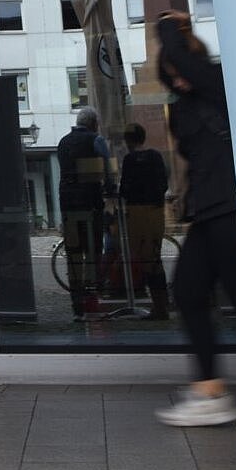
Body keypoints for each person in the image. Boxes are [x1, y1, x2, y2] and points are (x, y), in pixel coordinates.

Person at [153, 11, 236, 427]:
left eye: (179, 70)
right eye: (170, 76)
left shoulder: (219, 83)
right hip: (209, 211)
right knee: (188, 290)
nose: (178, 79)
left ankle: (211, 392)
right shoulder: (185, 106)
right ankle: (210, 391)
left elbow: (182, 60)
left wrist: (167, 24)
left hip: (232, 207)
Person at [57, 106, 112, 320]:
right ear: (93, 123)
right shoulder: (96, 140)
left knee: (73, 255)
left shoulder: (63, 142)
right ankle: (91, 301)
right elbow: (107, 170)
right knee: (92, 251)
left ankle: (77, 305)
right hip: (90, 204)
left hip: (68, 205)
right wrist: (110, 189)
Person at [117, 122, 170, 319]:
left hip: (137, 212)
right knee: (154, 257)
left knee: (146, 259)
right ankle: (161, 305)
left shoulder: (129, 160)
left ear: (128, 140)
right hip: (155, 211)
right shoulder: (155, 156)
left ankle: (159, 307)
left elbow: (124, 189)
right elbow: (163, 183)